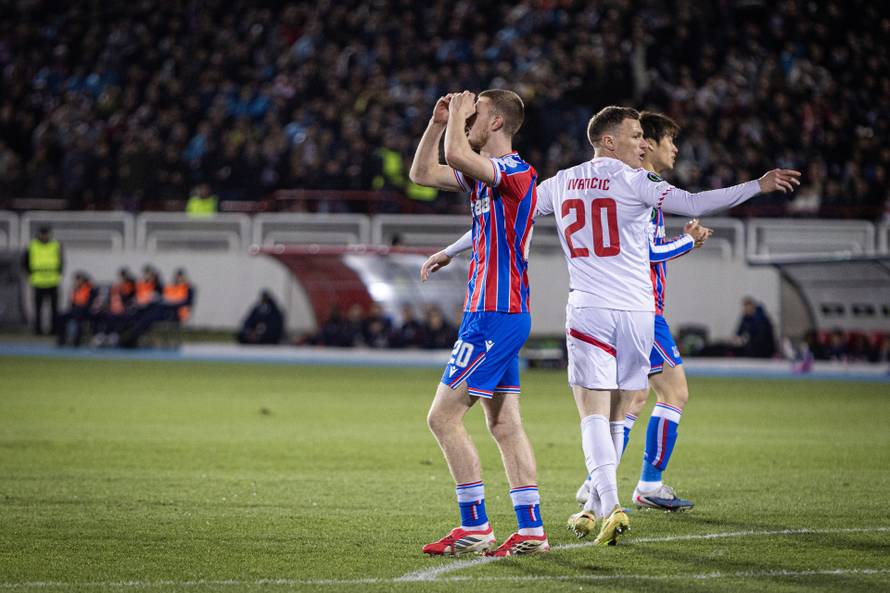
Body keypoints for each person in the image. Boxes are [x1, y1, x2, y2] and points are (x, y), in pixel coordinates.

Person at [425, 106, 800, 545]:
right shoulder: (638, 181)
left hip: (589, 310)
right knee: (627, 406)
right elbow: (696, 204)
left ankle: (606, 502)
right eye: (636, 135)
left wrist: (452, 249)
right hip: (640, 312)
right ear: (608, 140)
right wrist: (758, 185)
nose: (642, 143)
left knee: (594, 414)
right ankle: (600, 502)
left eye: (645, 136)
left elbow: (512, 215)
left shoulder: (562, 181)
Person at [409, 90, 548, 557]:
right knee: (505, 425)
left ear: (496, 124)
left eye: (477, 114)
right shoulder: (486, 179)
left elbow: (454, 153)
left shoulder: (515, 173)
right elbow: (423, 172)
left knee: (442, 418)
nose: (469, 118)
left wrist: (456, 122)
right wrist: (436, 121)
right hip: (494, 313)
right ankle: (530, 530)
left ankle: (475, 526)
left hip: (495, 315)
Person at [575, 112, 710, 512]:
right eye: (669, 139)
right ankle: (645, 484)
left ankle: (598, 482)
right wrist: (687, 242)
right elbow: (647, 252)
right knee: (672, 392)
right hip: (639, 309)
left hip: (626, 306)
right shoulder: (642, 189)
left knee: (631, 399)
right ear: (647, 145)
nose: (675, 149)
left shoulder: (634, 187)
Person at [22, 225, 63, 335]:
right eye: (43, 233)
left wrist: (59, 274)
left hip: (53, 281)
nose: (45, 236)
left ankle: (54, 330)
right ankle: (38, 330)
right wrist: (30, 275)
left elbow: (61, 261)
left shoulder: (56, 245)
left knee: (54, 309)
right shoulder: (32, 246)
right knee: (38, 309)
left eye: (46, 233)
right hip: (38, 282)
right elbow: (25, 263)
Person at [56, 271, 97, 347]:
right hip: (75, 311)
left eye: (78, 279)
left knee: (79, 318)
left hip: (85, 312)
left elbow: (90, 304)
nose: (76, 281)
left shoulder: (90, 289)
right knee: (61, 316)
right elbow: (72, 304)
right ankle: (61, 340)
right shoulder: (75, 290)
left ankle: (76, 341)